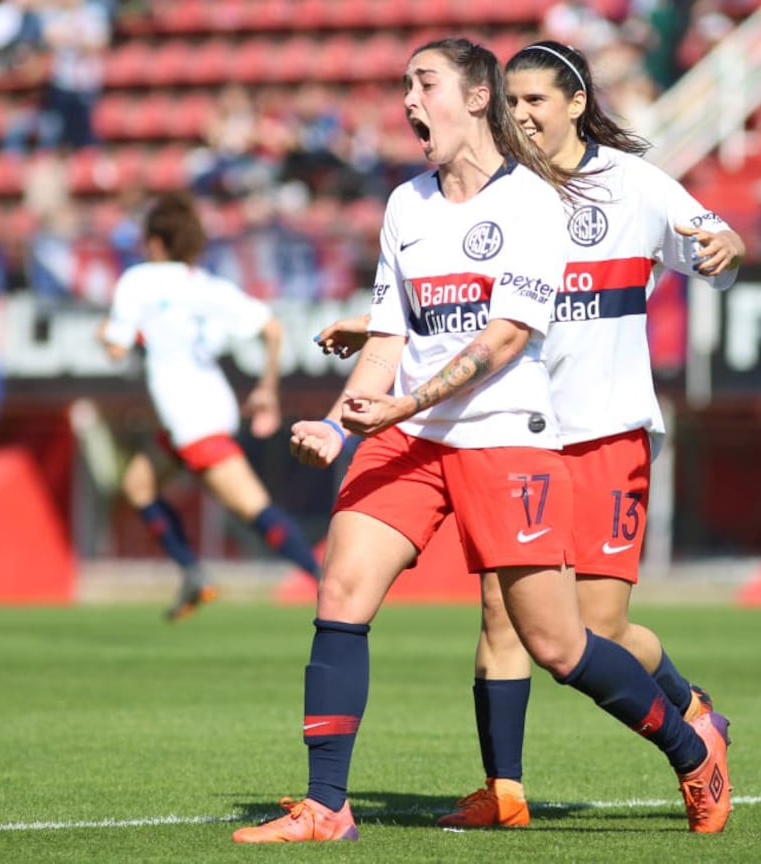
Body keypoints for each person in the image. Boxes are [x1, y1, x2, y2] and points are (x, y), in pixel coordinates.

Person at [231, 37, 729, 845]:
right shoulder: (405, 204)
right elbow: (389, 338)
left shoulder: (532, 201)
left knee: (560, 644)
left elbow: (502, 339)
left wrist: (404, 402)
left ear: (473, 98)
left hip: (504, 436)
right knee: (341, 593)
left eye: (423, 83)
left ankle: (690, 747)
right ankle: (326, 807)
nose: (407, 100)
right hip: (410, 436)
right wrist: (337, 420)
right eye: (404, 85)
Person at [98, 192, 320, 621]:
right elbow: (273, 329)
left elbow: (115, 349)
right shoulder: (207, 286)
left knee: (255, 510)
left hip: (191, 419)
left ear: (155, 242)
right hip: (207, 409)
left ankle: (326, 582)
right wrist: (267, 389)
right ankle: (192, 573)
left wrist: (105, 331)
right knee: (138, 484)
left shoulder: (138, 281)